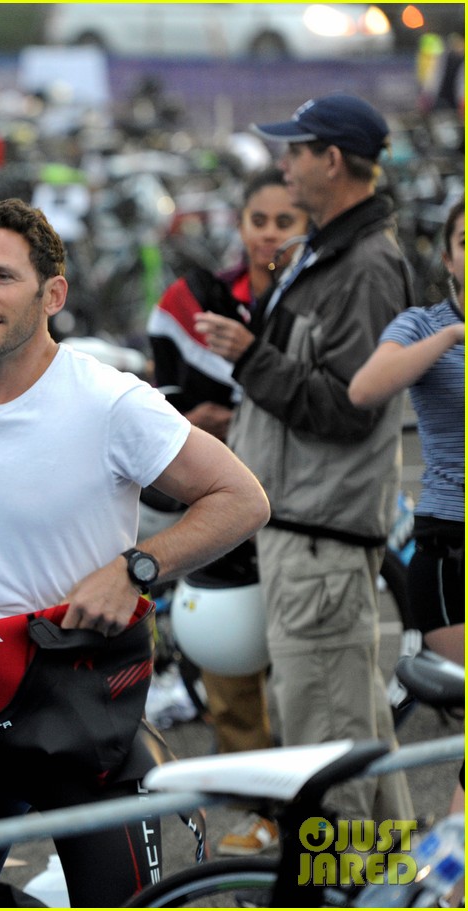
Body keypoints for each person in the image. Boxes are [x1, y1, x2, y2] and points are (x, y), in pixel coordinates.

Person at [0, 197, 270, 907]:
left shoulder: (111, 402)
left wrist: (137, 567)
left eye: (2, 276)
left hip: (83, 695)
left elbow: (241, 499)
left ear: (52, 293)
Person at [196, 93, 416, 826]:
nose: (284, 163)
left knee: (326, 753)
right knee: (354, 739)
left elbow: (349, 409)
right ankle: (385, 883)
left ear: (331, 160)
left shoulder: (365, 267)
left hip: (320, 533)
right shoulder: (333, 251)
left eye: (296, 150)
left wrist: (251, 356)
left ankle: (339, 891)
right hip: (307, 529)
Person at [147, 167, 309, 857]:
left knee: (303, 673)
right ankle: (259, 809)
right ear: (240, 225)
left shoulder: (320, 303)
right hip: (227, 508)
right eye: (259, 221)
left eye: (286, 222)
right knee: (232, 672)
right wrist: (195, 417)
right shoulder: (194, 302)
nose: (270, 235)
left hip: (305, 506)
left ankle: (316, 811)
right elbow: (160, 403)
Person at [350, 199, 464, 860]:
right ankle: (448, 875)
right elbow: (366, 387)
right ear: (448, 256)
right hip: (451, 551)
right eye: (465, 240)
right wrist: (451, 338)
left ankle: (445, 877)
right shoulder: (425, 323)